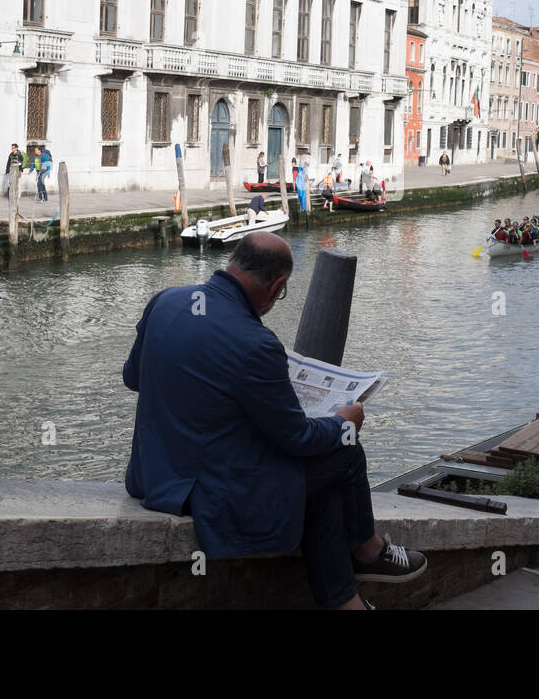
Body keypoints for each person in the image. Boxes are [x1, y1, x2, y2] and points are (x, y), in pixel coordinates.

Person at [122, 233, 428, 609]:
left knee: (319, 487)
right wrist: (342, 421)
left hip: (153, 474)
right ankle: (369, 549)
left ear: (234, 260)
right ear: (277, 286)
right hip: (207, 490)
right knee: (344, 452)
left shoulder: (165, 301)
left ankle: (348, 604)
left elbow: (133, 378)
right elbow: (297, 438)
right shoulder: (257, 343)